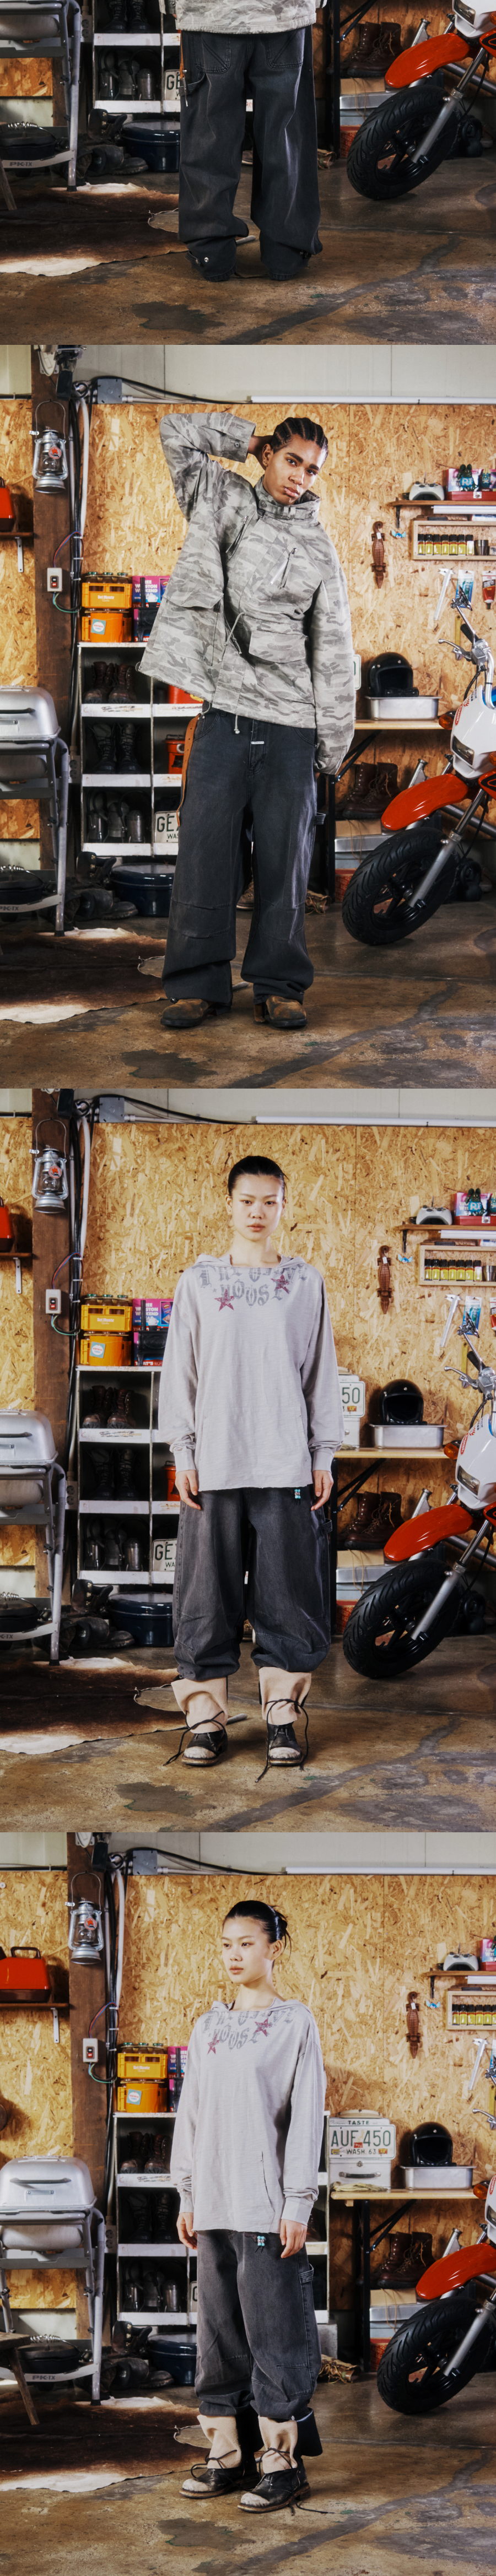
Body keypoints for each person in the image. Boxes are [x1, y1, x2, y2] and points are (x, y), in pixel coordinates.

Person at [141, 408, 355, 1033]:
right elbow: (176, 432)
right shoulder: (218, 496)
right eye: (291, 460)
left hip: (290, 725)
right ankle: (195, 985)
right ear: (268, 456)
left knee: (286, 863)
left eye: (311, 470)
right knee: (203, 855)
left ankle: (279, 986)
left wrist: (332, 746)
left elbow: (333, 649)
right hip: (224, 715)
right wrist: (248, 438)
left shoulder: (319, 549)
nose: (299, 477)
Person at [158, 1151, 343, 1768]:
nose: (257, 1212)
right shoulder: (199, 1282)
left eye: (270, 1201)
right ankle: (205, 1717)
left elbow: (320, 1373)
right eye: (247, 1201)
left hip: (284, 1460)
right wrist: (183, 1450)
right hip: (214, 1461)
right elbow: (180, 1372)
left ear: (284, 1206)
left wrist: (323, 1453)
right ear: (229, 1204)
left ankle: (281, 1715)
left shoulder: (306, 1285)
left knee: (287, 1596)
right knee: (205, 1596)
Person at [171, 1898, 326, 2513]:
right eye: (226, 1944)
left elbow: (306, 2116)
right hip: (213, 2204)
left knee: (275, 2335)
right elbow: (191, 2114)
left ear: (274, 1948)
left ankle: (283, 2462)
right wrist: (187, 2191)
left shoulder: (294, 2024)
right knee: (218, 2336)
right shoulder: (207, 2027)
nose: (234, 1955)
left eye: (247, 1943)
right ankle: (228, 2454)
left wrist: (297, 2202)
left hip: (265, 2209)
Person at [175, 23, 321, 284]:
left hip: (211, 13)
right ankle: (285, 252)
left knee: (210, 132)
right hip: (284, 11)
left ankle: (211, 252)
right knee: (285, 134)